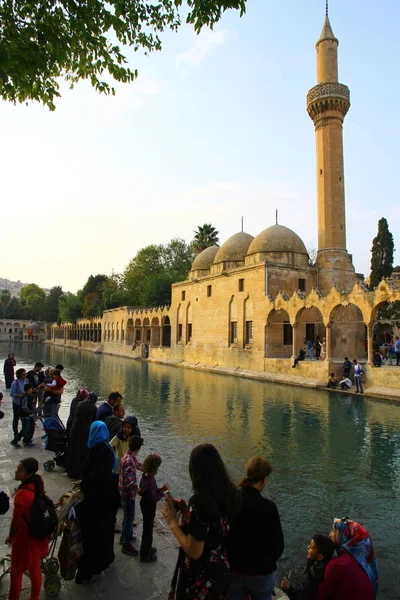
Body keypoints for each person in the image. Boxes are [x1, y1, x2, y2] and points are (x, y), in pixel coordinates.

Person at [162, 443, 237, 600]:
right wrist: (186, 512)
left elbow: (194, 551)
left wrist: (173, 522)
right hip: (222, 572)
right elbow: (212, 527)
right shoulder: (231, 493)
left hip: (201, 577)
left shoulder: (200, 501)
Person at [227, 456, 284, 600]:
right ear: (264, 479)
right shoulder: (269, 507)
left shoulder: (230, 500)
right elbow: (278, 546)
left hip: (234, 570)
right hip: (261, 572)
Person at [75, 421, 119, 584]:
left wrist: (83, 488)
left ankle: (88, 571)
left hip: (96, 502)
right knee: (104, 532)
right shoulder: (106, 446)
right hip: (108, 498)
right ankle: (105, 560)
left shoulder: (97, 450)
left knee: (91, 536)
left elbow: (94, 476)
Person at [6, 458, 49, 600]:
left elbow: (16, 521)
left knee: (16, 573)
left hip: (24, 537)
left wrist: (11, 536)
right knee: (35, 568)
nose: (16, 472)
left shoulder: (22, 495)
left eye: (20, 470)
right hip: (36, 535)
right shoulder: (37, 484)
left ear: (28, 474)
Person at [315, 518, 378, 600]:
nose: (330, 534)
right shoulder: (363, 563)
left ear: (343, 536)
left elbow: (320, 596)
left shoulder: (338, 565)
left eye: (334, 531)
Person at [281, 534, 334, 600]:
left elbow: (303, 594)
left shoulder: (315, 574)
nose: (308, 547)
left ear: (320, 557)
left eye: (311, 547)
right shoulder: (325, 565)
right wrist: (310, 560)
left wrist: (289, 589)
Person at [139, 454, 170, 562]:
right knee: (148, 530)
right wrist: (162, 491)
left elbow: (144, 490)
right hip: (149, 507)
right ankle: (145, 554)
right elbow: (154, 498)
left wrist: (159, 489)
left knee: (147, 528)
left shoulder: (145, 475)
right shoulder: (151, 480)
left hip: (144, 504)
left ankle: (146, 548)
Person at [119, 435, 144, 556]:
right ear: (138, 448)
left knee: (126, 516)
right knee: (129, 518)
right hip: (128, 494)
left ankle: (124, 535)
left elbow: (138, 464)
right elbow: (130, 481)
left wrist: (146, 467)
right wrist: (138, 489)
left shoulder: (128, 456)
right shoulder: (129, 460)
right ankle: (126, 544)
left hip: (123, 492)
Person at [66, 395, 97, 480]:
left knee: (73, 451)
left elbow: (73, 414)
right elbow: (94, 420)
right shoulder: (94, 408)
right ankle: (79, 473)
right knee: (82, 453)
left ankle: (71, 471)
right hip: (85, 432)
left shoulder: (80, 404)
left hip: (75, 429)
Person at [11, 383, 35, 448]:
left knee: (28, 428)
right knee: (25, 429)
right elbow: (24, 407)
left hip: (26, 415)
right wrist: (30, 412)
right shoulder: (25, 397)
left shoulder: (28, 396)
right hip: (25, 415)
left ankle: (26, 441)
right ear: (29, 389)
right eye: (31, 388)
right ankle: (15, 441)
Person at [10, 369, 28, 442]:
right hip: (17, 403)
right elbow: (12, 394)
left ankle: (25, 434)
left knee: (25, 418)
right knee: (16, 418)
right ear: (20, 375)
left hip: (25, 403)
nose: (25, 375)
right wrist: (21, 395)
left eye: (25, 374)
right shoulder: (15, 383)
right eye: (24, 374)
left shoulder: (26, 381)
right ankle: (15, 433)